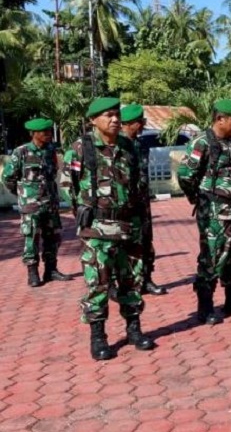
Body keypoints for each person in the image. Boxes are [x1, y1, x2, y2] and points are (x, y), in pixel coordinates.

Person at [62, 97, 153, 361]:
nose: (114, 119)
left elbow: (137, 184)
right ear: (93, 120)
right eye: (108, 115)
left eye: (116, 115)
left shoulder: (128, 146)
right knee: (98, 284)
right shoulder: (81, 148)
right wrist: (85, 214)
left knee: (132, 280)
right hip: (97, 230)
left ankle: (134, 330)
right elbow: (68, 186)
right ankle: (98, 337)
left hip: (128, 227)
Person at [177, 99, 231, 325]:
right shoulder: (202, 142)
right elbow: (185, 175)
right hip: (214, 211)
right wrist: (199, 198)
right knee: (212, 256)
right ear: (220, 119)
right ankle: (205, 306)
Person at [2, 118, 71, 287]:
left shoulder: (50, 150)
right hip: (31, 205)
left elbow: (53, 173)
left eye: (49, 131)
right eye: (44, 132)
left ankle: (51, 270)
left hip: (50, 203)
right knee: (31, 238)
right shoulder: (21, 152)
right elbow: (8, 178)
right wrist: (23, 193)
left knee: (53, 237)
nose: (48, 134)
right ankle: (33, 273)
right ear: (33, 134)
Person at [120, 104, 167, 296]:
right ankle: (128, 284)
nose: (143, 125)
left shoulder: (139, 145)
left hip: (142, 204)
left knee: (146, 242)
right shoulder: (117, 146)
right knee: (126, 245)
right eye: (140, 122)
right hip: (124, 206)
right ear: (128, 124)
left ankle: (146, 280)